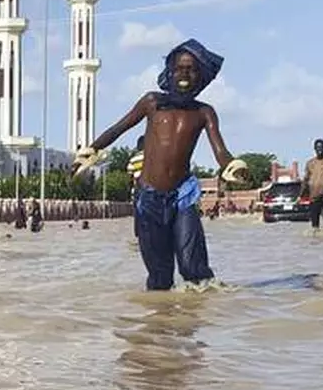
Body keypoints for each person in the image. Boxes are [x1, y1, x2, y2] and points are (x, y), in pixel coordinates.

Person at [74, 38, 241, 290]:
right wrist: (92, 150)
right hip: (149, 197)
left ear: (200, 75)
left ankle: (196, 323)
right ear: (170, 72)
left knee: (194, 270)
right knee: (160, 277)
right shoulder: (151, 102)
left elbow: (220, 151)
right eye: (180, 68)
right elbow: (119, 128)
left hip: (183, 195)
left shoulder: (204, 112)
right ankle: (159, 325)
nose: (185, 74)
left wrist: (233, 166)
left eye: (191, 69)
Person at [302, 139, 323, 230]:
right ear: (314, 149)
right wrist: (301, 194)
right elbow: (306, 179)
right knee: (314, 222)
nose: (320, 149)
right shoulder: (310, 163)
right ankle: (315, 237)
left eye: (321, 147)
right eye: (318, 148)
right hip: (314, 196)